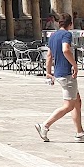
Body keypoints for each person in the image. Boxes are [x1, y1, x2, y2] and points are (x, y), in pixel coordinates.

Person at [35, 13, 84, 142]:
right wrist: (75, 65)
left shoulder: (53, 36)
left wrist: (48, 72)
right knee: (68, 105)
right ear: (70, 24)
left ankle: (80, 132)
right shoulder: (67, 34)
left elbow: (49, 55)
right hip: (66, 73)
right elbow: (65, 50)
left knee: (77, 102)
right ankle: (44, 125)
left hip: (58, 72)